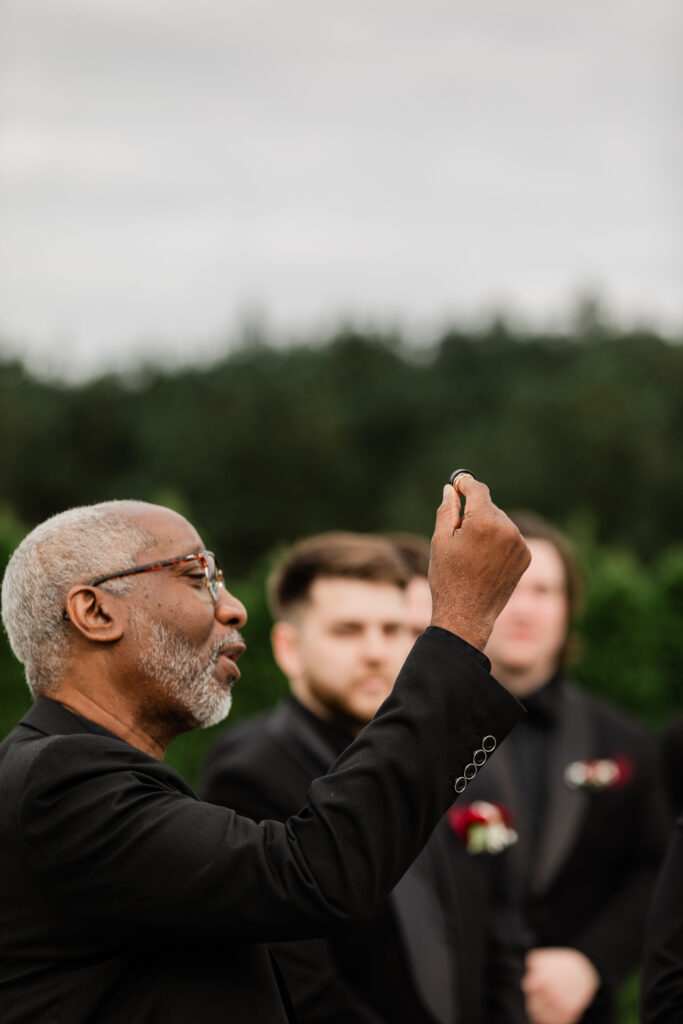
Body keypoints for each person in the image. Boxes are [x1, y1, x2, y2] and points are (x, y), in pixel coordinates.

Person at [0, 482, 529, 1023]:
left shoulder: (79, 777)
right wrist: (460, 628)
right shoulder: (57, 783)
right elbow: (313, 875)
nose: (233, 609)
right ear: (94, 611)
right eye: (197, 576)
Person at [203, 532, 525, 1023]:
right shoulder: (250, 776)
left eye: (395, 629)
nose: (376, 651)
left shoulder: (441, 755)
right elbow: (299, 988)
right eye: (348, 630)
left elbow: (491, 935)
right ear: (289, 649)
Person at [457, 511, 669, 1024]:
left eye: (545, 591)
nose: (524, 609)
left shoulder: (625, 740)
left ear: (570, 608)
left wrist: (592, 962)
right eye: (508, 587)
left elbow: (657, 868)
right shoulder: (414, 735)